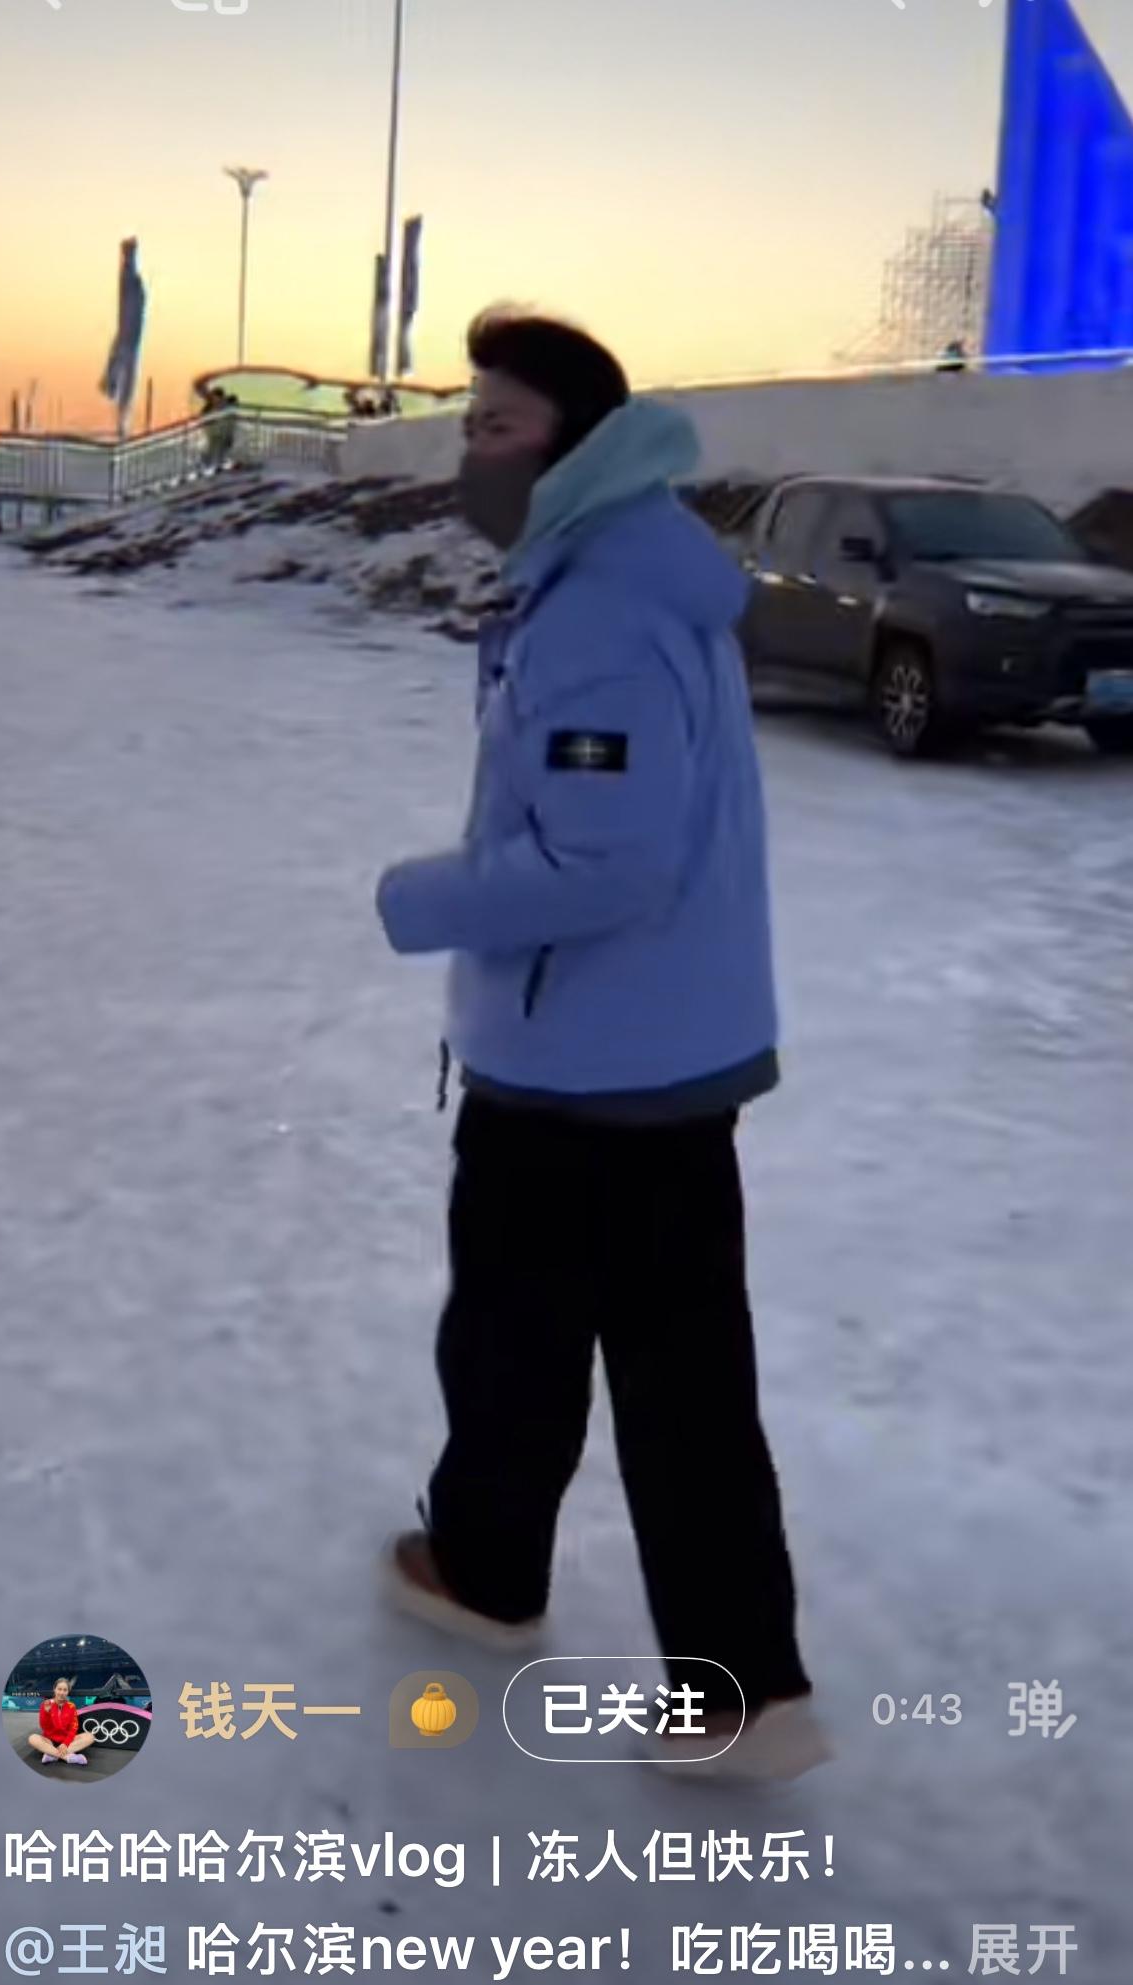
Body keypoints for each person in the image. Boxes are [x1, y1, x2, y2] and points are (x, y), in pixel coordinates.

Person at [374, 308, 829, 1782]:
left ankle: (506, 1581)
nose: (473, 450)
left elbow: (606, 863)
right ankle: (724, 1677)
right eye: (469, 423)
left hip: (587, 1065)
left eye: (497, 426)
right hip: (650, 1050)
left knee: (536, 1346)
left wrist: (423, 899)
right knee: (639, 1360)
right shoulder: (619, 574)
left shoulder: (598, 613)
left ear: (574, 443)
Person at [27, 1678, 96, 1767]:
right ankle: (68, 1757)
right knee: (32, 1738)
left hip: (68, 1742)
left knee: (90, 1736)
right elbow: (44, 1727)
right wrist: (47, 1713)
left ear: (68, 1692)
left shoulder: (71, 1706)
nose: (62, 1692)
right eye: (59, 1689)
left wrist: (65, 1743)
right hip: (49, 1741)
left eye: (65, 1690)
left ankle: (52, 1755)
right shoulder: (46, 1704)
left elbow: (74, 1728)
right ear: (54, 1689)